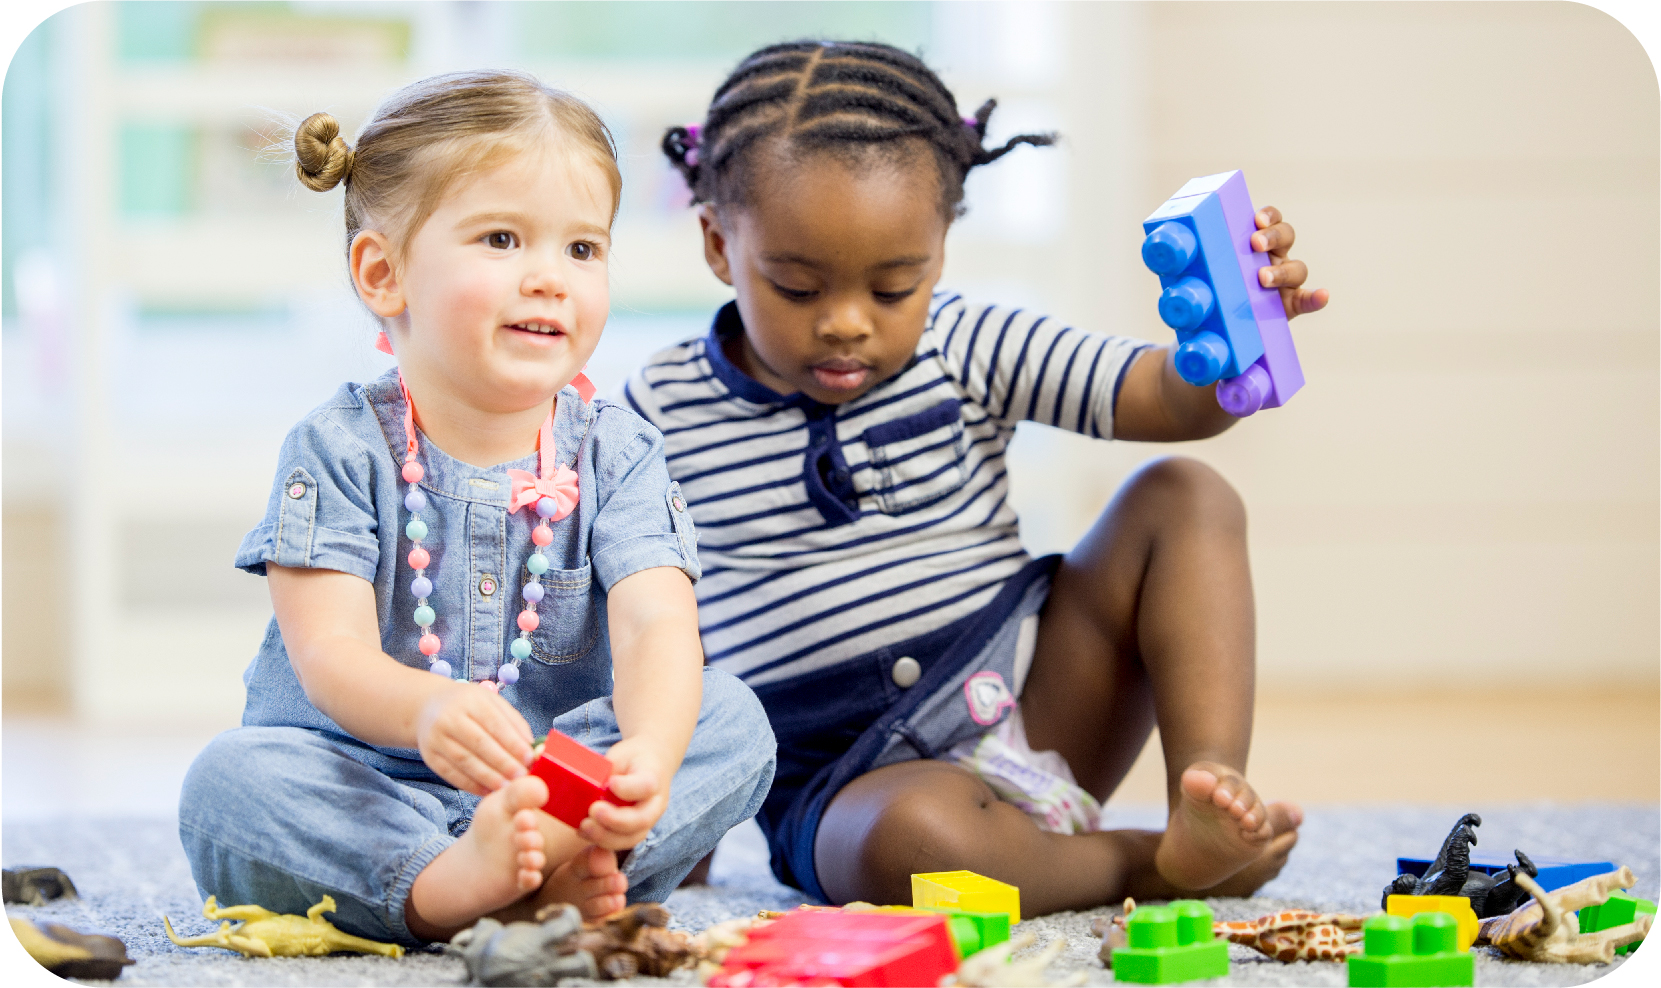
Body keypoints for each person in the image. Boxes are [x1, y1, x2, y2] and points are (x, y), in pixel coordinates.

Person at [624, 40, 1328, 916]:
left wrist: (1229, 337)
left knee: (1185, 495)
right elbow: (645, 617)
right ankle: (1147, 865)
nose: (846, 324)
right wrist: (668, 811)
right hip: (845, 783)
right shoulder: (655, 411)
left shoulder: (966, 340)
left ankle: (1211, 791)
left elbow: (1156, 397)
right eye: (797, 289)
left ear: (940, 250)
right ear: (718, 245)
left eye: (893, 287)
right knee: (909, 849)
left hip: (1040, 699)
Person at [177, 71, 775, 947]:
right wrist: (422, 711)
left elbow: (655, 626)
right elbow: (329, 653)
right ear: (383, 273)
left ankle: (542, 861)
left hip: (555, 783)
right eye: (502, 239)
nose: (549, 280)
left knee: (730, 721)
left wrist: (644, 752)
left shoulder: (620, 453)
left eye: (582, 249)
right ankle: (446, 883)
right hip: (362, 782)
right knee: (230, 782)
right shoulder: (338, 449)